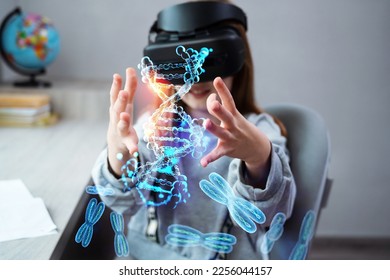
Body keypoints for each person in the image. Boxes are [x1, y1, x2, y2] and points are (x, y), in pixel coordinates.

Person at [92, 0, 296, 260]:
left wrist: (258, 159)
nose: (195, 78)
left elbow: (270, 215)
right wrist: (117, 153)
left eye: (209, 60)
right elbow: (122, 201)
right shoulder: (157, 125)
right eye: (181, 63)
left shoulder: (258, 131)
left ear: (236, 60)